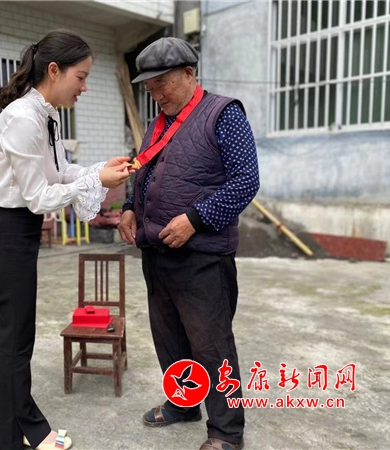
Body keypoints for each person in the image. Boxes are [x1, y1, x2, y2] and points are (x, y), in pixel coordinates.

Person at [0, 30, 131, 450]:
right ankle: (24, 433)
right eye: (81, 77)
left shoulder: (46, 116)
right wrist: (95, 181)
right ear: (55, 71)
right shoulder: (24, 119)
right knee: (15, 338)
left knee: (2, 328)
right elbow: (39, 197)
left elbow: (60, 173)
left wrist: (99, 169)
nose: (84, 87)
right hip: (6, 231)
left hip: (12, 231)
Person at [118, 37, 259, 450]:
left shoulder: (224, 114)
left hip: (202, 258)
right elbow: (142, 172)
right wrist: (128, 207)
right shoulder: (157, 125)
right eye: (150, 88)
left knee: (211, 345)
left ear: (189, 73)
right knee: (169, 338)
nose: (157, 94)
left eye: (164, 83)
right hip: (157, 252)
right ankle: (183, 404)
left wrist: (195, 220)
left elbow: (246, 182)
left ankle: (226, 432)